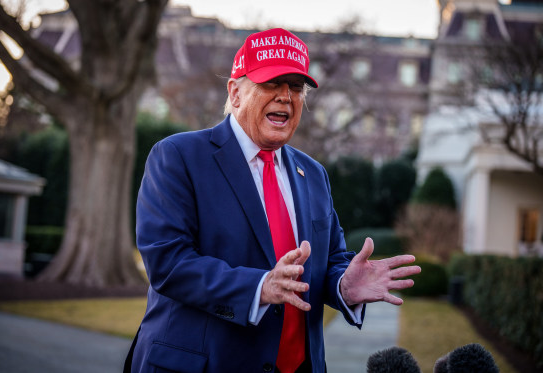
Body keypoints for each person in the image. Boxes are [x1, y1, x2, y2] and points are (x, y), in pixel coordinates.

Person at [125, 28, 421, 373]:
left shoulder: (314, 174)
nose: (285, 96)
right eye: (271, 83)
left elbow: (332, 258)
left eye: (296, 87)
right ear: (235, 93)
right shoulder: (178, 156)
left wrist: (344, 285)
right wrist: (258, 287)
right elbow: (169, 262)